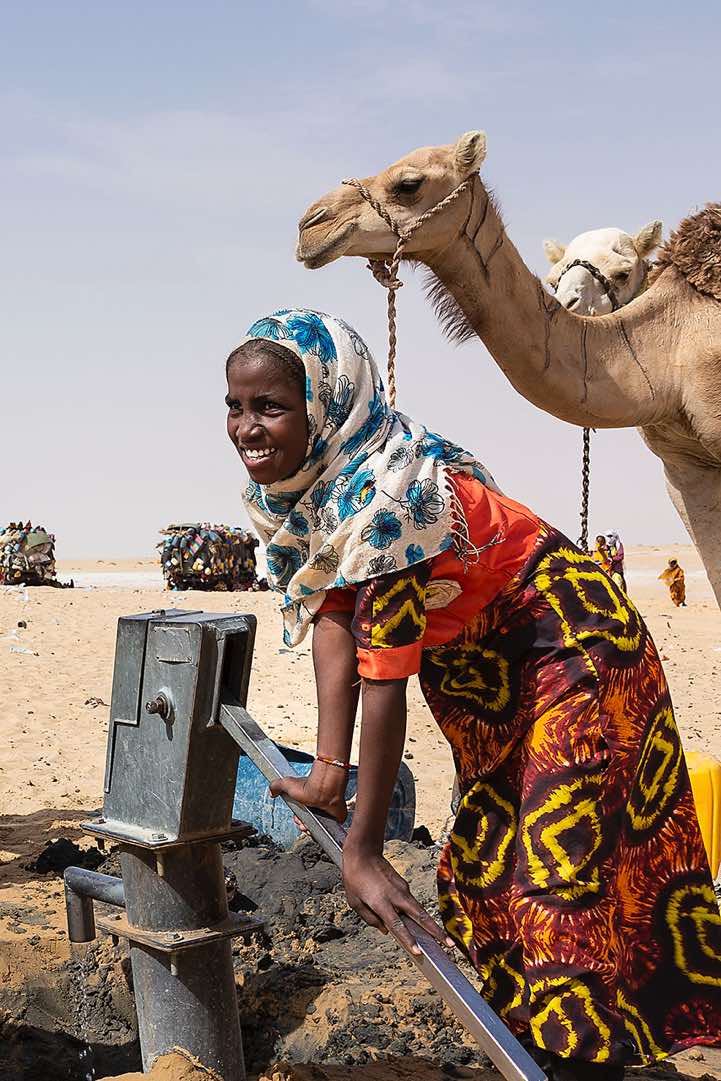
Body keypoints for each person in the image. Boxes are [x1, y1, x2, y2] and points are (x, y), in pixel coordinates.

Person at [225, 308, 721, 1081]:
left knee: (559, 878)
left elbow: (382, 675)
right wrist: (328, 773)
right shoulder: (315, 486)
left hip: (567, 653)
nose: (248, 426)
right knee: (481, 868)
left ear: (324, 402)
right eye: (236, 405)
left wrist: (362, 848)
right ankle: (544, 1050)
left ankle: (583, 1066)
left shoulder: (386, 498)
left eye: (270, 406)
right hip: (492, 677)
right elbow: (334, 617)